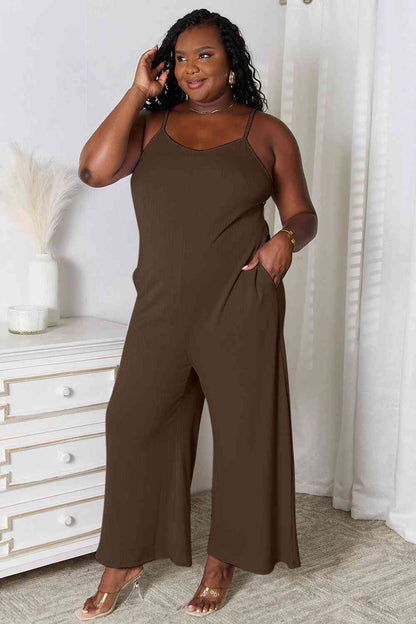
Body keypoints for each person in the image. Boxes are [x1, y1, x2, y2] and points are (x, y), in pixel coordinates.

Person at [75, 8, 317, 620]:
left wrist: (285, 240)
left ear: (231, 63)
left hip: (240, 301)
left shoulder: (267, 132)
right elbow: (93, 170)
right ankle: (125, 556)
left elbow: (302, 212)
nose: (190, 68)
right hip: (160, 307)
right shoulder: (152, 125)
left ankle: (221, 561)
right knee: (132, 420)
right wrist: (137, 92)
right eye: (180, 58)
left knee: (242, 436)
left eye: (204, 55)